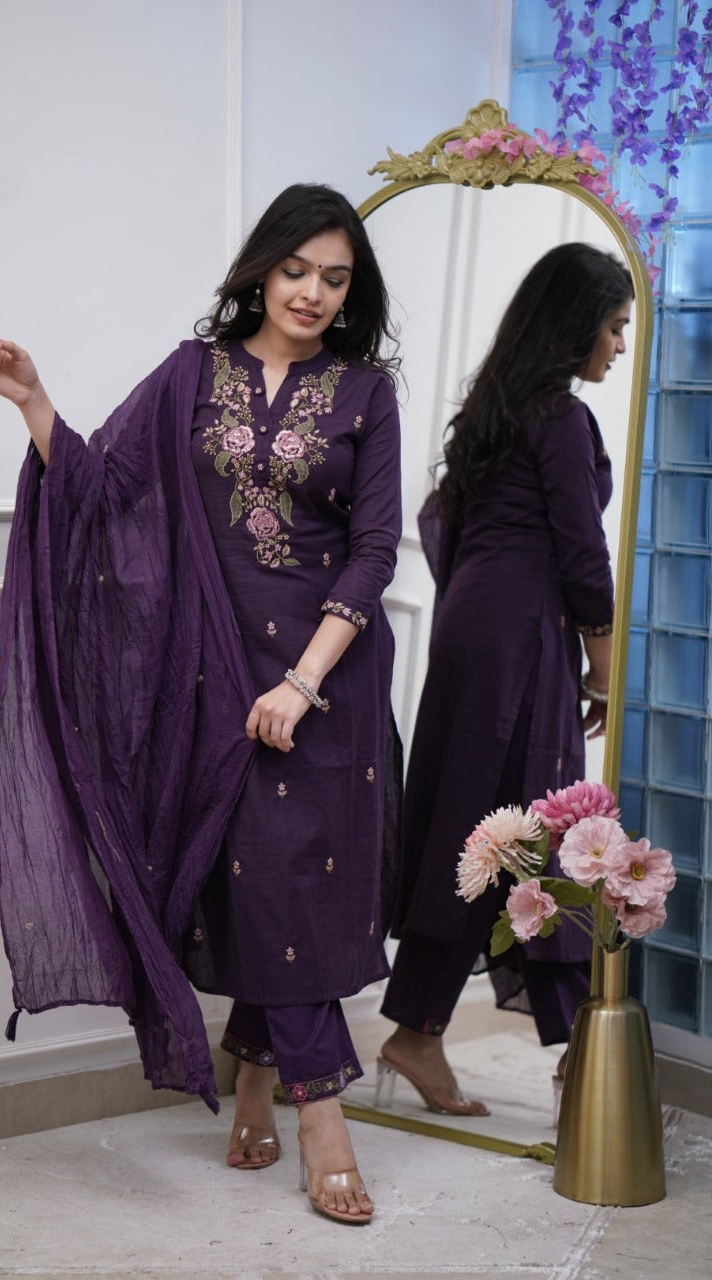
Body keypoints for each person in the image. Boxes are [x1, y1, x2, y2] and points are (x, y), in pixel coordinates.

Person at [0, 184, 402, 1225]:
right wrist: (34, 401)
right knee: (257, 875)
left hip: (327, 674)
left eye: (333, 277)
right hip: (213, 672)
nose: (310, 292)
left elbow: (375, 547)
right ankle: (305, 1102)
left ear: (351, 292)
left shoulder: (364, 392)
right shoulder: (189, 374)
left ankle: (282, 1090)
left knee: (298, 880)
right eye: (295, 269)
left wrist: (304, 679)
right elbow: (102, 491)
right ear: (261, 269)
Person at [375, 242, 632, 1117]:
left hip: (474, 632)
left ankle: (427, 1030)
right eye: (613, 327)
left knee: (483, 829)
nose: (618, 347)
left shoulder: (492, 409)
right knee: (532, 831)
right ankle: (575, 1049)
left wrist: (488, 608)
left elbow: (442, 524)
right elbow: (582, 550)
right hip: (519, 639)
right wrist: (601, 667)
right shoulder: (558, 417)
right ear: (575, 325)